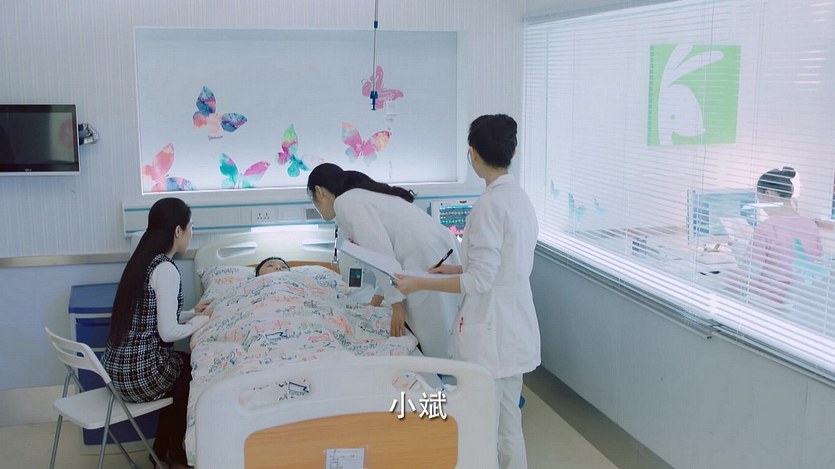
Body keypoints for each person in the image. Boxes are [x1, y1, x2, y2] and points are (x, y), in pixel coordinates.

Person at [394, 114, 540, 469]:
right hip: (514, 326)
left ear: (473, 154)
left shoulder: (489, 206)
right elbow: (503, 265)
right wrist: (454, 268)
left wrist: (419, 283)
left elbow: (480, 281)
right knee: (509, 424)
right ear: (512, 151)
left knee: (480, 424)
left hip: (492, 333)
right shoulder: (519, 199)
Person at [306, 162, 461, 359]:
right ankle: (455, 367)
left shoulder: (345, 202)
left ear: (319, 192)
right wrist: (376, 302)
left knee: (436, 332)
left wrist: (396, 305)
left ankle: (446, 372)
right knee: (450, 322)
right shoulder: (360, 196)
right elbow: (381, 259)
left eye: (313, 200)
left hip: (423, 255)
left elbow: (381, 253)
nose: (317, 209)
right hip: (437, 248)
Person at [102, 197, 212, 468]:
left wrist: (191, 313)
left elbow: (151, 316)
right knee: (193, 371)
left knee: (181, 370)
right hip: (138, 375)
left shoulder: (141, 261)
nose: (191, 233)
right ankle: (172, 451)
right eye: (190, 227)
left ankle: (163, 451)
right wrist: (202, 322)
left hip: (114, 370)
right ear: (178, 231)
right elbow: (168, 332)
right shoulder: (166, 269)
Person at [748, 167, 823, 304]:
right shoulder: (811, 226)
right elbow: (815, 264)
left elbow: (750, 273)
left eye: (759, 199)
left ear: (769, 194)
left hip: (767, 303)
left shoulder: (766, 227)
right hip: (798, 304)